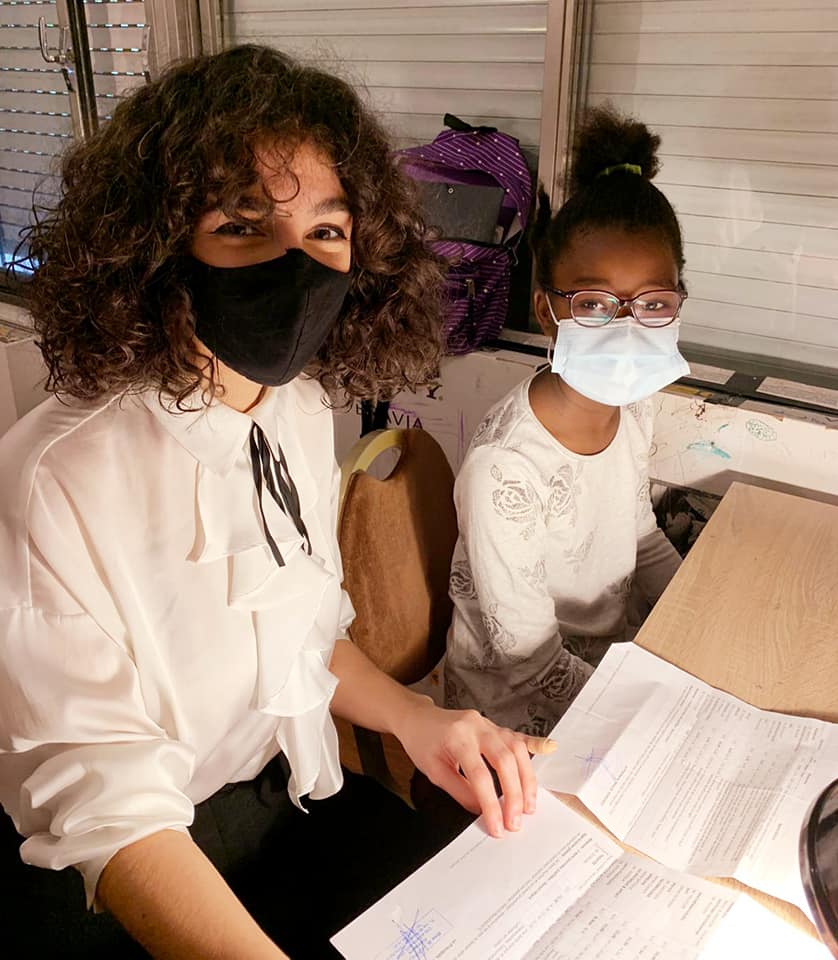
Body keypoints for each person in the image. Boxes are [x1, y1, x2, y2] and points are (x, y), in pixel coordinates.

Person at [0, 45, 553, 960]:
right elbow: (102, 804)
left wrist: (418, 720)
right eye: (242, 226)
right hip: (121, 877)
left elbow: (303, 632)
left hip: (279, 802)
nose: (297, 267)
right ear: (158, 245)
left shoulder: (295, 409)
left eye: (326, 232)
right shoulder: (54, 477)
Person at [445, 107, 685, 738]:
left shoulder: (632, 406)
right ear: (546, 311)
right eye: (594, 303)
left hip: (607, 669)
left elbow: (640, 536)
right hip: (511, 714)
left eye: (653, 303)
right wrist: (648, 714)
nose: (627, 327)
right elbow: (529, 665)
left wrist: (698, 608)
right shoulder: (505, 470)